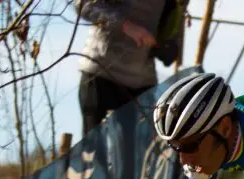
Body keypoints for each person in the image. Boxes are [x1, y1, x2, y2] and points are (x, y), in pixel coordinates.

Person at [75, 0, 186, 136]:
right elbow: (84, 5)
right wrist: (124, 24)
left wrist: (166, 47)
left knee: (137, 154)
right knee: (93, 152)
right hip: (101, 73)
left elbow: (171, 45)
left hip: (141, 84)